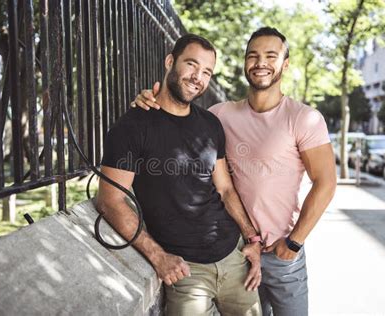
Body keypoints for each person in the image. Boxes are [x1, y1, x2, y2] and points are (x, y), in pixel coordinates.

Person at [133, 27, 337, 316]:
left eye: (271, 55)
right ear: (244, 63)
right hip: (236, 252)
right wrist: (146, 100)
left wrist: (294, 242)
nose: (260, 63)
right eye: (253, 56)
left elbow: (326, 183)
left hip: (281, 253)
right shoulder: (219, 115)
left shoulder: (304, 118)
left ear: (286, 63)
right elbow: (175, 115)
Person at [96, 34, 262, 316]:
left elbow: (225, 190)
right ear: (170, 61)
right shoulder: (132, 126)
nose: (198, 77)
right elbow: (110, 200)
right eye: (192, 65)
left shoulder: (210, 124)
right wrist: (158, 256)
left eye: (207, 72)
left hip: (233, 259)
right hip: (186, 270)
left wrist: (252, 239)